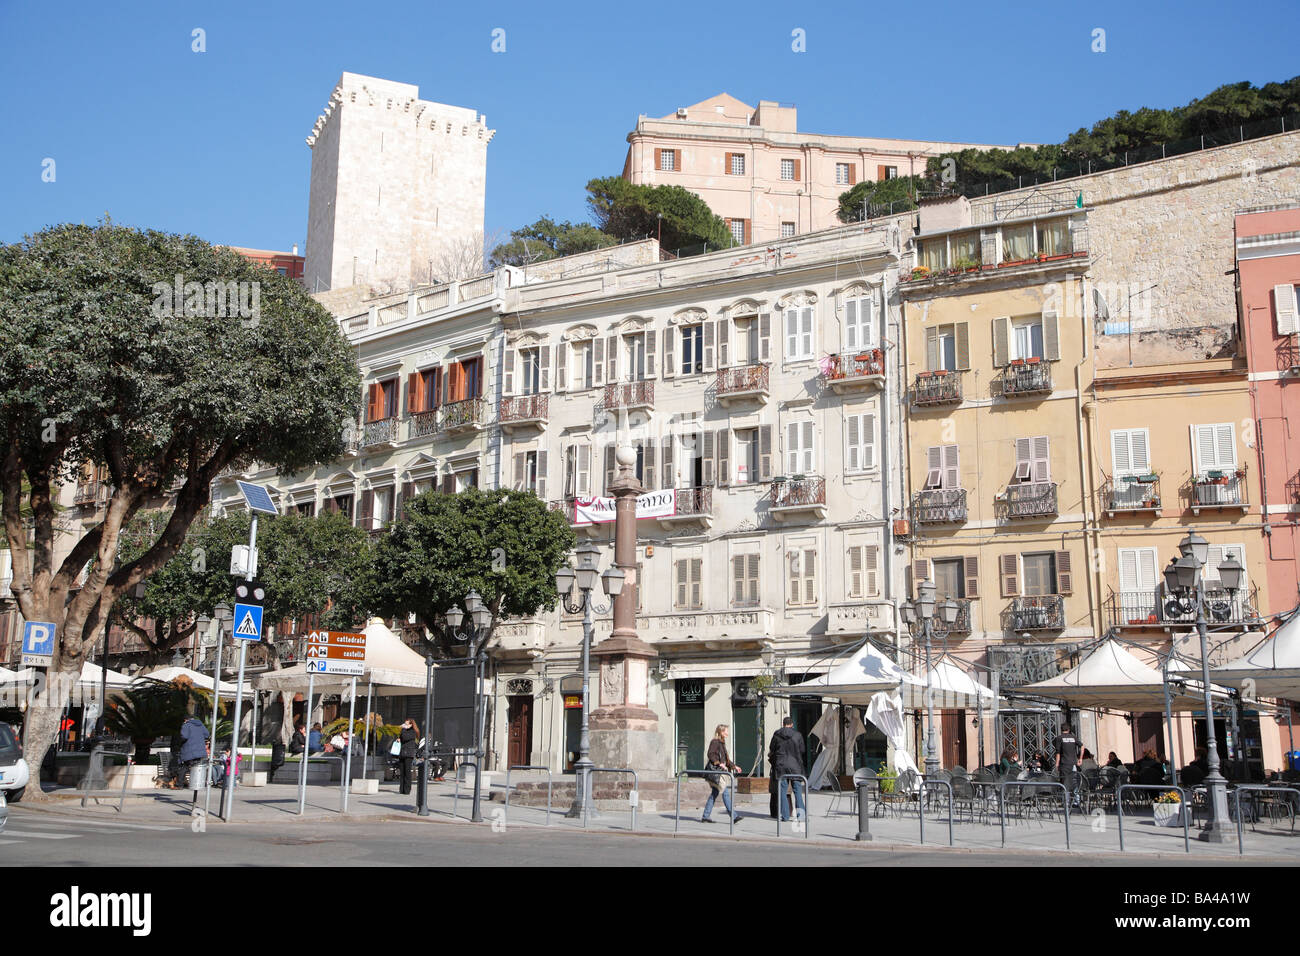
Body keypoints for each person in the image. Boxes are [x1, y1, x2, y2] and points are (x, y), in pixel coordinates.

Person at [701, 724, 742, 824]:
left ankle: (705, 816)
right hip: (716, 773)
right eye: (726, 731)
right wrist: (719, 764)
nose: (727, 732)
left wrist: (734, 767)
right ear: (721, 732)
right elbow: (710, 754)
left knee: (714, 794)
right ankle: (734, 816)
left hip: (719, 773)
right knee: (725, 793)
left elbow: (726, 760)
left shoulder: (722, 743)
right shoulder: (715, 742)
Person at [767, 716, 805, 822]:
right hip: (795, 765)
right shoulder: (798, 735)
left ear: (783, 724)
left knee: (782, 792)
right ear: (792, 724)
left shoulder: (777, 734)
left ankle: (785, 816)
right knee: (797, 791)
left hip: (781, 765)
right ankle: (801, 816)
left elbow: (772, 748)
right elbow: (802, 750)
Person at [1052, 722, 1081, 805]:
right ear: (1068, 729)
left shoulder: (1059, 738)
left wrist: (1057, 764)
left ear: (1061, 729)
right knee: (1075, 782)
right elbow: (1082, 746)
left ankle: (1066, 802)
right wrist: (1080, 759)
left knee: (1065, 783)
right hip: (1074, 764)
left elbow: (1058, 752)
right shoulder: (1073, 737)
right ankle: (1077, 801)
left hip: (1064, 764)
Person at [177, 714, 210, 789]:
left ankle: (180, 785)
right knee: (198, 766)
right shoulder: (200, 725)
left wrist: (180, 741)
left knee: (184, 767)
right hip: (200, 751)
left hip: (189, 751)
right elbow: (207, 734)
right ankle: (201, 783)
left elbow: (184, 736)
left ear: (185, 720)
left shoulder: (186, 725)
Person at [398, 719, 419, 796]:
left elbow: (405, 737)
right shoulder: (404, 730)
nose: (404, 725)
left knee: (407, 772)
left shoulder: (413, 731)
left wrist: (403, 729)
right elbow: (401, 737)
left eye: (406, 724)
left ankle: (407, 789)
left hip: (408, 754)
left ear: (411, 724)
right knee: (402, 772)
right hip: (402, 753)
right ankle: (401, 789)